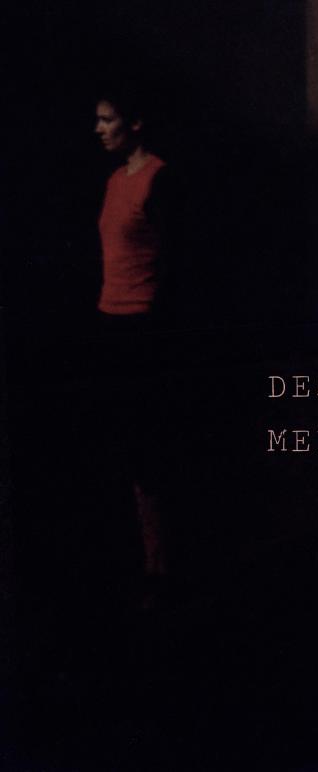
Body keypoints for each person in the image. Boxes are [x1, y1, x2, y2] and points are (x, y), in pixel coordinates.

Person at [94, 87, 177, 606]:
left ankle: (159, 564)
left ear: (136, 123)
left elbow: (173, 261)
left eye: (108, 120)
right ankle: (137, 558)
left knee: (147, 449)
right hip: (110, 322)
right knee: (120, 445)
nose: (99, 129)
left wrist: (157, 328)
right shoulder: (113, 180)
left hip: (143, 328)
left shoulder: (158, 178)